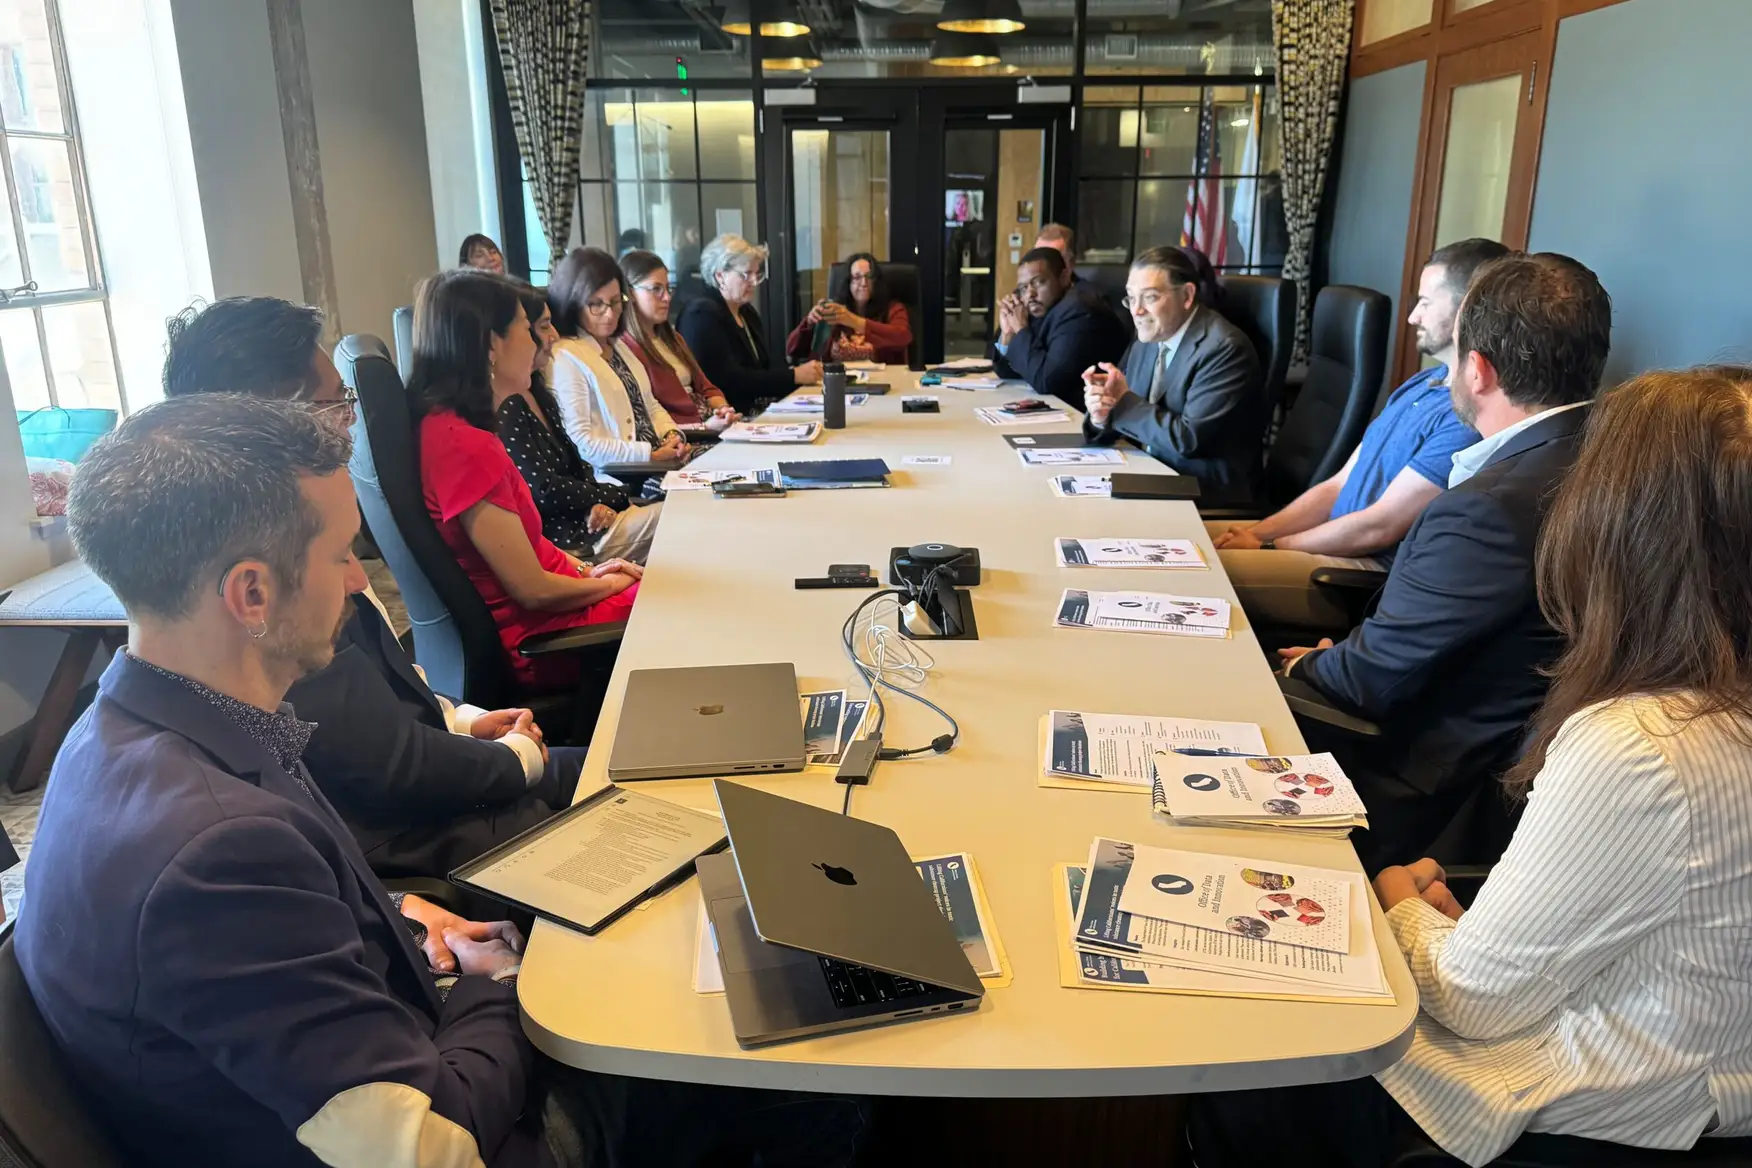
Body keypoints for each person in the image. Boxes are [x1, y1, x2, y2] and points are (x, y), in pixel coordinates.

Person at [19, 394, 864, 1167]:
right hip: (481, 1134)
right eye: (344, 556)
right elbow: (432, 1150)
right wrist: (496, 987)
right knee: (812, 1079)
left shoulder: (131, 729)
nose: (360, 582)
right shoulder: (214, 853)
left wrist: (406, 923)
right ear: (251, 592)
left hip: (403, 1048)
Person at [1191, 366, 1752, 1167]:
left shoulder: (1641, 743)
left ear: (1620, 525)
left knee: (1244, 1032)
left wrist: (1399, 904)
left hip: (1590, 1109)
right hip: (1700, 1079)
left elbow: (1471, 1001)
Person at [161, 295, 589, 892]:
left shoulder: (299, 525)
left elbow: (383, 683)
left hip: (434, 779)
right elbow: (387, 766)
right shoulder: (268, 574)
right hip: (417, 839)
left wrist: (462, 719)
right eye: (336, 404)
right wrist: (520, 756)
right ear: (273, 420)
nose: (352, 420)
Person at [1279, 252, 1611, 872]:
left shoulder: (1490, 507)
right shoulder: (1606, 455)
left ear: (1477, 370)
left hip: (1409, 786)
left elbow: (1373, 680)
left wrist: (1310, 667)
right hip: (1492, 752)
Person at [1207, 238, 1508, 632]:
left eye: (1425, 302)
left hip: (1352, 572)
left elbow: (1379, 526)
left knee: (1199, 572)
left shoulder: (1467, 417)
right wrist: (1256, 531)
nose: (1413, 316)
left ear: (1466, 307)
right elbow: (1338, 484)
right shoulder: (1422, 383)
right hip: (1318, 540)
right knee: (1179, 539)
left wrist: (1267, 545)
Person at [410, 269, 641, 689]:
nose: (538, 343)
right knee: (690, 607)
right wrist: (606, 585)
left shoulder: (455, 430)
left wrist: (591, 573)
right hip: (548, 635)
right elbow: (532, 590)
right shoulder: (461, 446)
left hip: (561, 607)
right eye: (525, 328)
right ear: (491, 344)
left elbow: (531, 552)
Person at [1078, 245, 1265, 506]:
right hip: (1149, 473)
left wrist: (1121, 401)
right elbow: (1129, 410)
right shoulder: (1148, 337)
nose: (1137, 311)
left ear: (1187, 295)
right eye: (1131, 298)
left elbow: (1188, 440)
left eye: (1150, 297)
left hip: (1202, 489)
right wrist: (1102, 414)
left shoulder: (1224, 348)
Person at [498, 280, 661, 563]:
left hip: (592, 519)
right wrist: (609, 495)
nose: (555, 335)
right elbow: (544, 490)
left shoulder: (537, 388)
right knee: (683, 518)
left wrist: (597, 503)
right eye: (543, 326)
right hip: (571, 542)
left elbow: (577, 466)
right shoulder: (508, 404)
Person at [547, 247, 692, 470]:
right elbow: (580, 443)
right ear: (573, 303)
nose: (610, 313)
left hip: (656, 462)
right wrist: (650, 455)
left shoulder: (618, 344)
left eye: (616, 302)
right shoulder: (565, 356)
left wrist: (671, 435)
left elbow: (650, 405)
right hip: (622, 475)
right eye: (596, 304)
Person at [677, 232, 821, 412]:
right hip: (724, 418)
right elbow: (728, 380)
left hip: (759, 412)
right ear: (720, 276)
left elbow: (769, 366)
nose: (754, 281)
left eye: (756, 274)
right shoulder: (700, 314)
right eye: (746, 274)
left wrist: (800, 375)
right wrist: (794, 376)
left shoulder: (746, 311)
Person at [990, 245, 1129, 409]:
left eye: (1038, 282)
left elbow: (1047, 381)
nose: (1030, 294)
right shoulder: (1042, 309)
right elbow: (1009, 372)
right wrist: (1008, 335)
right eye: (1023, 288)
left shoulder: (1080, 311)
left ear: (1064, 277)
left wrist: (1020, 329)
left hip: (1091, 417)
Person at [619, 248, 740, 432]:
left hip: (707, 424)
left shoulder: (672, 338)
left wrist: (723, 411)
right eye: (656, 289)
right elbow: (648, 423)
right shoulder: (625, 348)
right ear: (631, 293)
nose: (667, 297)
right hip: (684, 438)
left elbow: (707, 388)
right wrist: (703, 428)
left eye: (668, 289)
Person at [786, 252, 914, 366]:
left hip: (883, 383)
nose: (864, 283)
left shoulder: (892, 308)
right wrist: (809, 323)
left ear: (876, 281)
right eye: (857, 277)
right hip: (837, 382)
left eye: (869, 277)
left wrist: (851, 319)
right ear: (848, 282)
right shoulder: (833, 311)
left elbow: (903, 337)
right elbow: (792, 350)